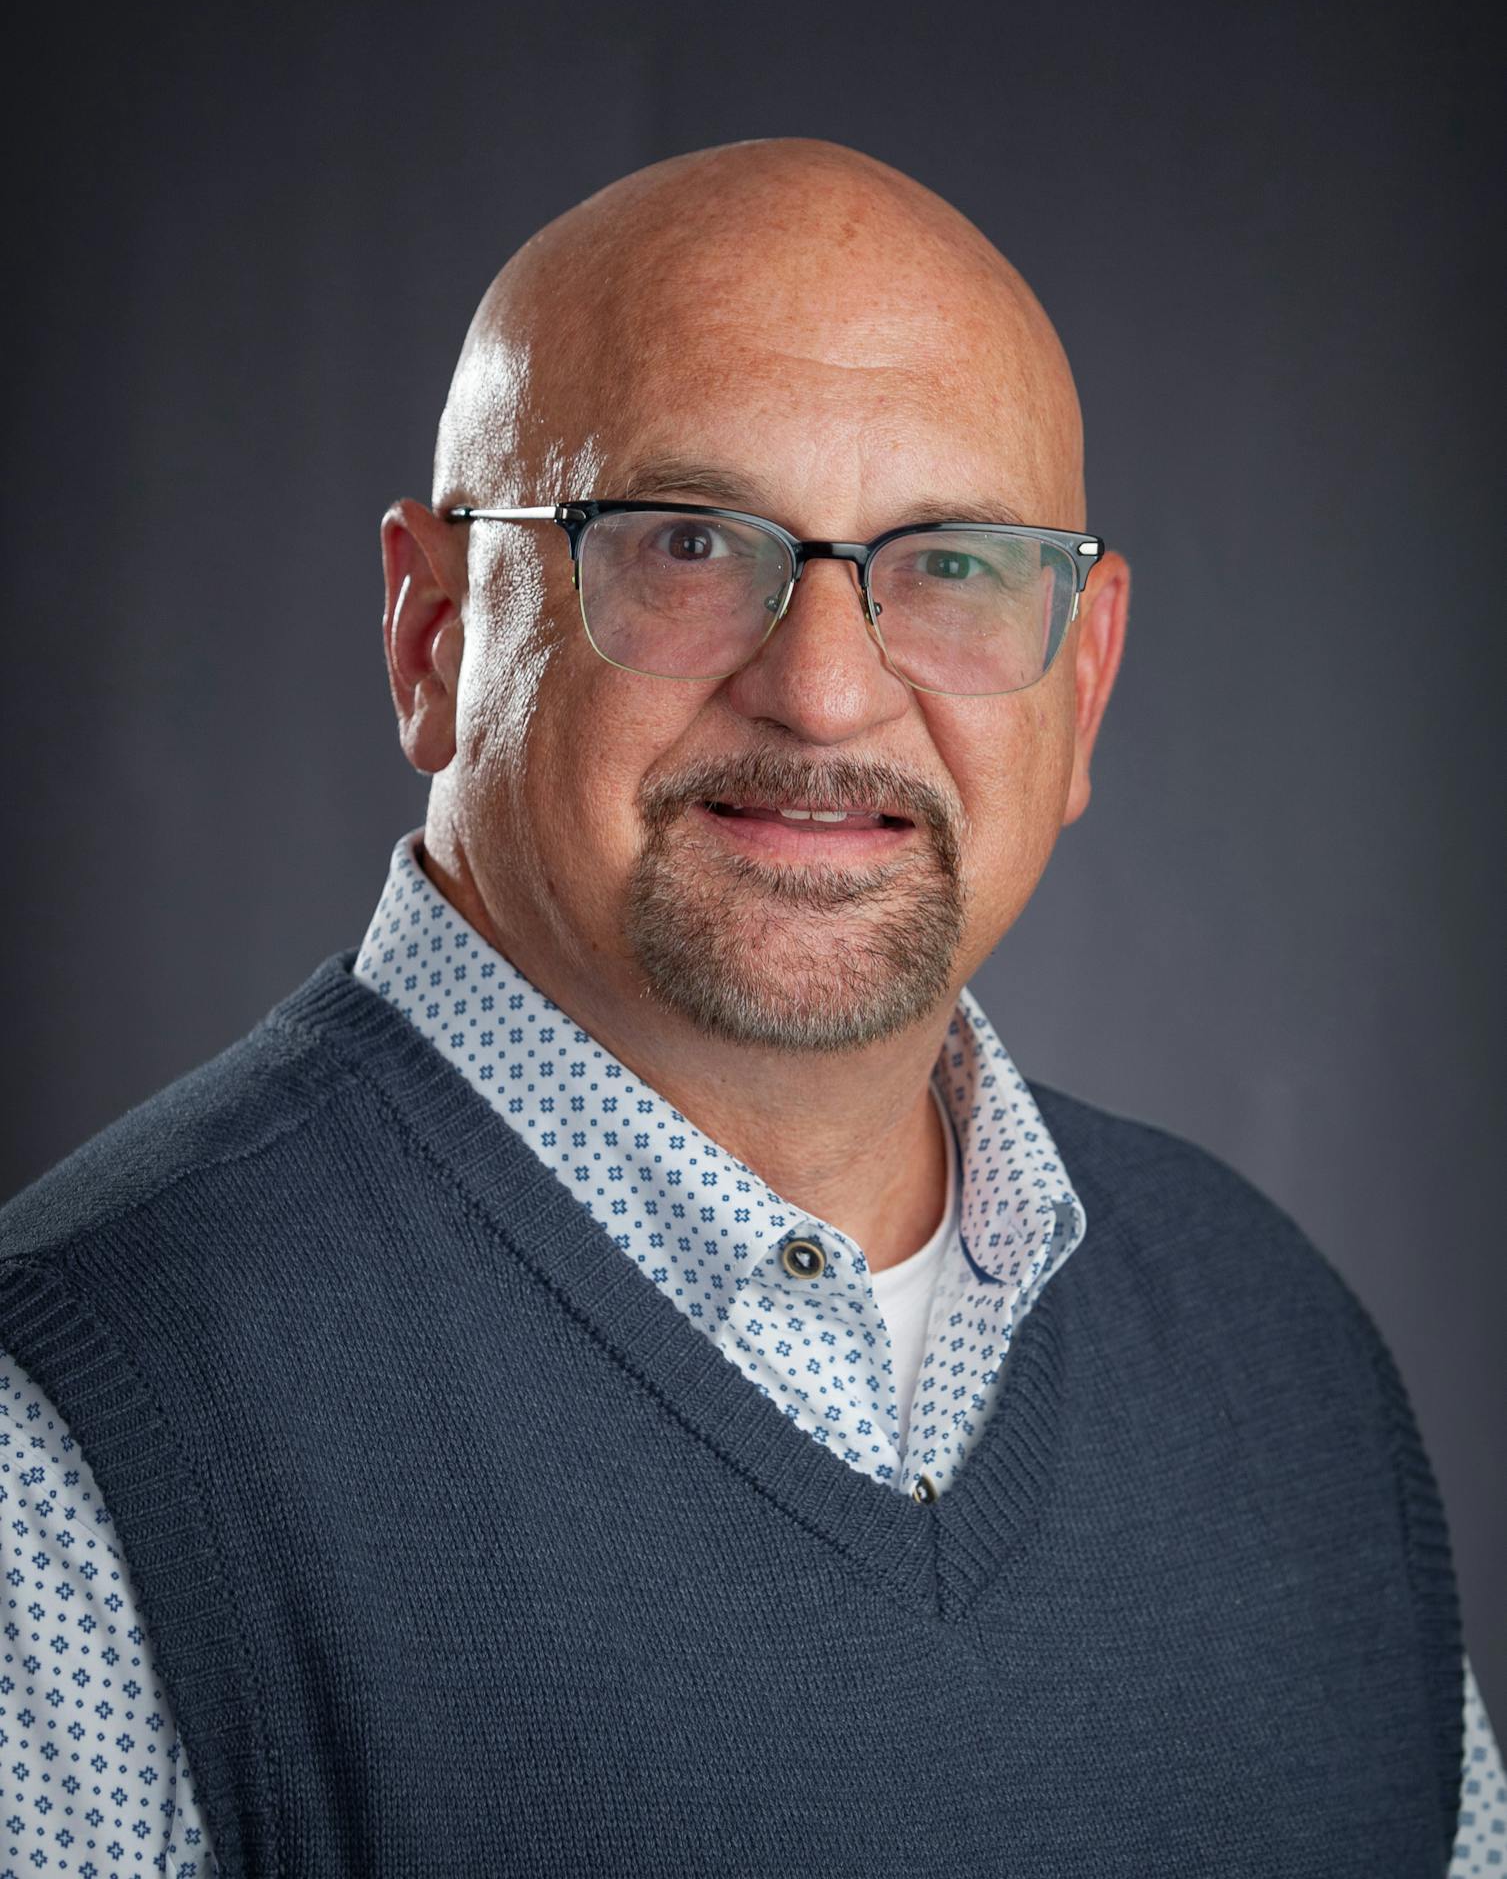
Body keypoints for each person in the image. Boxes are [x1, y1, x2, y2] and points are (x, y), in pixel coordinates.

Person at [0, 138, 1498, 1877]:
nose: (826, 687)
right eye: (689, 542)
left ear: (1081, 683)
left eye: (949, 564)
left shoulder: (1279, 1360)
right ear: (431, 637)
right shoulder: (74, 1449)